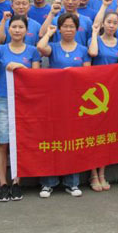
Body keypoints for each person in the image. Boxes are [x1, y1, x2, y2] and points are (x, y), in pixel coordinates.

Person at [0, 15, 41, 201]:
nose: (17, 30)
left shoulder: (32, 51)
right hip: (2, 100)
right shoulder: (0, 49)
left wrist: (20, 68)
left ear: (26, 31)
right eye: (14, 27)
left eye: (20, 27)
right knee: (2, 142)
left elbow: (36, 78)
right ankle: (3, 184)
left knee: (20, 142)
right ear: (8, 29)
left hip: (25, 101)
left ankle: (16, 182)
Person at [36, 13, 91, 198]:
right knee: (52, 140)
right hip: (54, 100)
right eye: (65, 26)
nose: (68, 29)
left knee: (73, 141)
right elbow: (40, 47)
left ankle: (72, 183)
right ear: (59, 29)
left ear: (77, 29)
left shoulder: (83, 50)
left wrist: (72, 74)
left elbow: (88, 74)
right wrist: (48, 33)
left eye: (71, 26)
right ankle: (48, 183)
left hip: (75, 102)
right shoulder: (53, 47)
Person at [87, 12, 118, 192]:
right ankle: (93, 173)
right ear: (103, 24)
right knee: (93, 133)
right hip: (94, 92)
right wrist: (94, 33)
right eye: (109, 22)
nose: (111, 25)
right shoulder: (94, 40)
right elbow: (93, 53)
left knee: (107, 134)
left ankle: (102, 173)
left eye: (115, 23)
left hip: (112, 92)